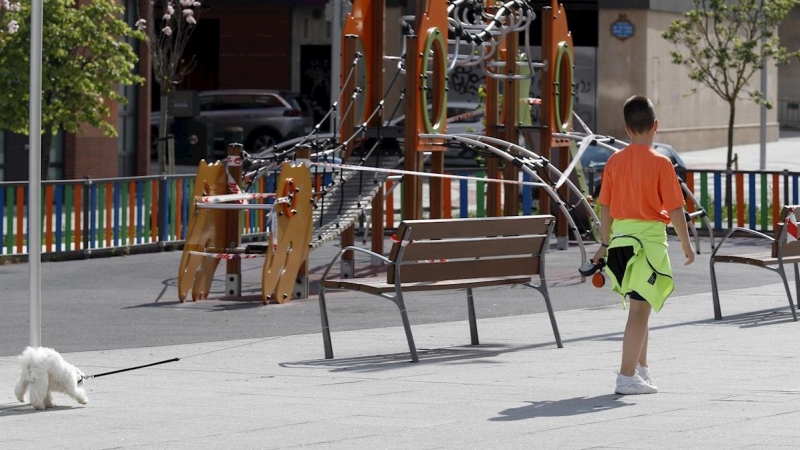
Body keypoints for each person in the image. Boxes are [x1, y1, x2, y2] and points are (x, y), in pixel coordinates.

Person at [593, 95, 695, 395]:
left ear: (627, 129)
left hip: (621, 244)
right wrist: (687, 246)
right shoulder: (661, 163)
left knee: (641, 306)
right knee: (640, 310)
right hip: (648, 245)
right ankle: (626, 378)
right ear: (656, 126)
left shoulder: (614, 161)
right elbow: (675, 209)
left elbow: (606, 208)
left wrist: (604, 243)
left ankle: (640, 370)